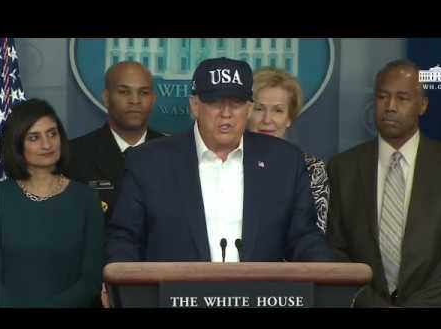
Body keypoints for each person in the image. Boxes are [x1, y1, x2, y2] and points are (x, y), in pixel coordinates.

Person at [106, 57, 333, 263]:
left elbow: (304, 237)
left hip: (259, 296)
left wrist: (329, 276)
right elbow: (125, 238)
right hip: (175, 296)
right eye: (215, 102)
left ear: (248, 108)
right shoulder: (148, 162)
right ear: (195, 105)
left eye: (235, 103)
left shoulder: (284, 161)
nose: (226, 113)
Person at [326, 59, 441, 307]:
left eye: (403, 98)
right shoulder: (342, 168)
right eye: (383, 97)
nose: (390, 107)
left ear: (423, 104)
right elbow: (334, 248)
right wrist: (368, 303)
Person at [0, 99, 104, 307]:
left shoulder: (86, 199)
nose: (47, 144)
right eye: (34, 137)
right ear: (17, 144)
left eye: (52, 133)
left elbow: (91, 280)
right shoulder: (1, 198)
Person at [66, 61, 164, 221]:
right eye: (124, 92)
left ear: (153, 99)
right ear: (106, 97)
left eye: (144, 92)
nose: (135, 100)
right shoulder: (73, 156)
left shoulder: (175, 155)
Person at [247, 66, 329, 234]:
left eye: (278, 110)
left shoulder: (312, 169)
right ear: (246, 113)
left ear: (289, 117)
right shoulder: (228, 161)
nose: (267, 120)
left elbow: (314, 235)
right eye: (259, 109)